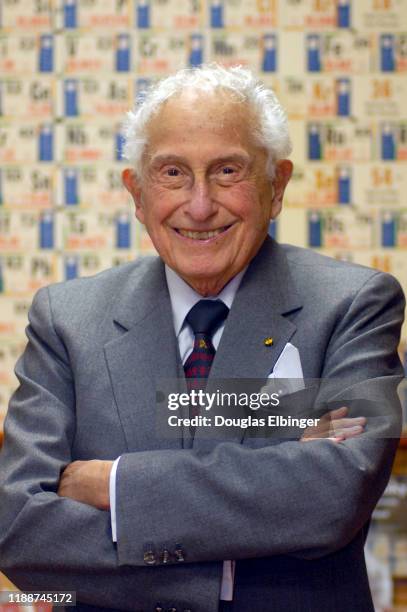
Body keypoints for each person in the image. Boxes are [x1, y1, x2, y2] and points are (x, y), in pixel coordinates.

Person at [0, 65, 404, 612]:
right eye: (172, 173)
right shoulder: (65, 319)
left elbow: (334, 493)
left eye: (227, 170)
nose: (198, 205)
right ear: (137, 193)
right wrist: (226, 576)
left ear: (276, 185)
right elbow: (20, 525)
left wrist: (118, 486)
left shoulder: (358, 303)